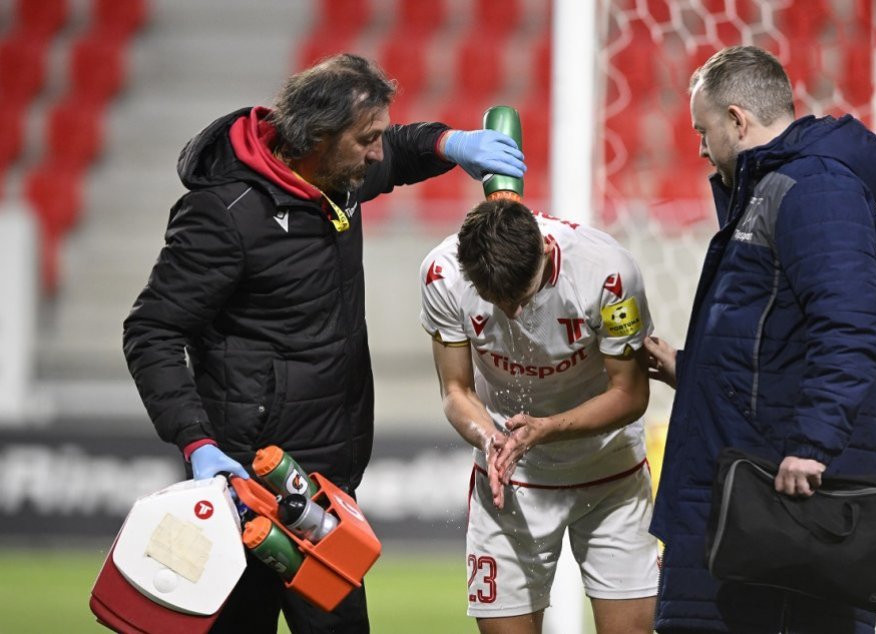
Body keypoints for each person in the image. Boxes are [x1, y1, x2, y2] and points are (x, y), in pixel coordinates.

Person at [122, 53, 525, 634]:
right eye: (367, 139)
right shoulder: (226, 215)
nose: (378, 153)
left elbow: (403, 152)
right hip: (244, 487)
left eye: (378, 135)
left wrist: (449, 143)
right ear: (317, 137)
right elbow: (151, 330)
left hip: (324, 490)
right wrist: (196, 442)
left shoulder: (339, 179)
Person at [643, 45, 876, 633]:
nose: (701, 147)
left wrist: (814, 442)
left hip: (778, 502)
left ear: (737, 119)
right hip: (740, 483)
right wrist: (694, 370)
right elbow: (771, 342)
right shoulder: (769, 189)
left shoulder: (815, 189)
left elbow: (850, 324)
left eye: (703, 130)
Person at [419, 199, 658, 634]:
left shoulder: (608, 273)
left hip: (610, 475)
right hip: (508, 482)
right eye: (496, 301)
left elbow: (631, 393)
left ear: (546, 251)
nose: (512, 312)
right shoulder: (442, 275)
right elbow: (456, 391)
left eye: (521, 296)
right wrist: (491, 439)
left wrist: (546, 429)